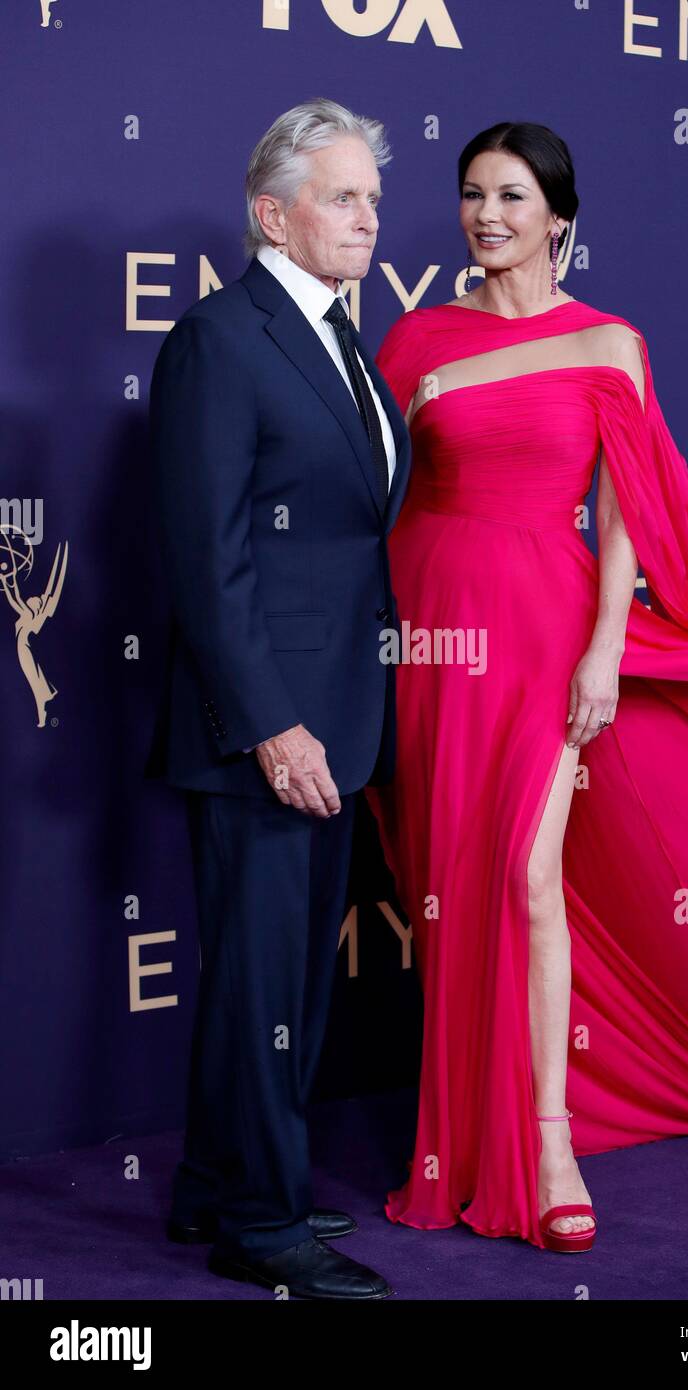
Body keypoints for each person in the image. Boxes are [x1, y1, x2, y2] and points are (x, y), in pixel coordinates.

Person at [365, 121, 688, 1254]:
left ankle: (544, 1142)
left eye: (509, 197)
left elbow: (626, 509)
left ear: (556, 218)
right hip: (432, 627)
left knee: (525, 875)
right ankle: (447, 1146)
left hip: (545, 622)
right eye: (469, 194)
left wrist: (603, 644)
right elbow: (369, 489)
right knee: (452, 880)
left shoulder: (608, 345)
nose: (485, 215)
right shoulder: (413, 343)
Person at [146, 99, 410, 1298]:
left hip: (335, 718)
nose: (370, 216)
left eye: (370, 196)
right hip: (264, 732)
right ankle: (263, 1221)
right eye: (343, 197)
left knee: (282, 980)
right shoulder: (221, 336)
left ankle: (214, 1182)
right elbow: (206, 557)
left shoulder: (340, 337)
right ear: (273, 213)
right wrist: (268, 721)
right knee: (265, 979)